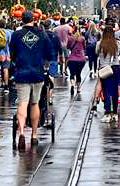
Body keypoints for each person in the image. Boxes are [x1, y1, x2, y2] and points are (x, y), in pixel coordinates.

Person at [9, 10, 57, 144]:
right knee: (35, 103)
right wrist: (46, 62)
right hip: (37, 72)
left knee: (22, 103)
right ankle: (34, 134)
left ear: (22, 20)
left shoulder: (16, 35)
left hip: (22, 72)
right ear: (34, 20)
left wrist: (17, 61)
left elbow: (12, 53)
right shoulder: (42, 34)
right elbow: (50, 52)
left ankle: (21, 132)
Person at [94, 22, 120, 120]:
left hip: (105, 69)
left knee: (106, 91)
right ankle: (115, 113)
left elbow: (96, 52)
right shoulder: (117, 43)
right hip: (115, 68)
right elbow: (119, 53)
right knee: (114, 91)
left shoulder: (100, 43)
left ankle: (108, 112)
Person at [66, 26, 87, 94]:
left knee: (72, 74)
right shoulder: (82, 38)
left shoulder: (70, 38)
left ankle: (72, 84)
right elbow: (84, 47)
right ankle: (78, 88)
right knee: (78, 73)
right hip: (81, 59)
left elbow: (68, 47)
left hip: (72, 59)